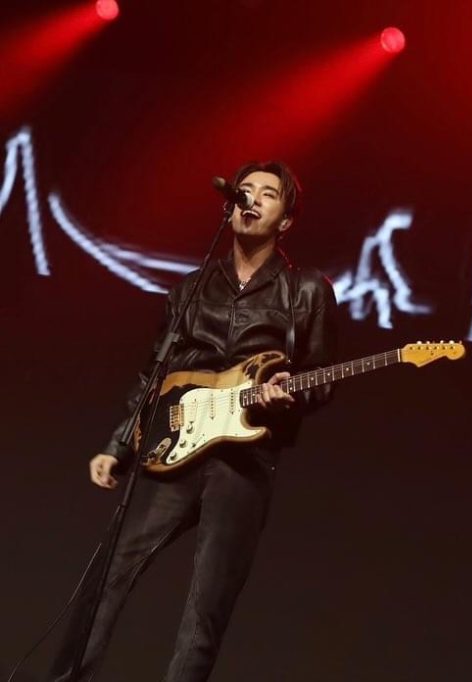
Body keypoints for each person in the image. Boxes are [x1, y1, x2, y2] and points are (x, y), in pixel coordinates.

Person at [50, 161, 338, 681]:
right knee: (107, 577)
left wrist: (285, 396)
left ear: (286, 219)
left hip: (244, 460)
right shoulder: (192, 286)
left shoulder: (307, 290)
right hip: (173, 446)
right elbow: (153, 371)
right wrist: (118, 445)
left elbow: (320, 378)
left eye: (267, 194)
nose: (252, 200)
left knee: (206, 610)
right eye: (244, 190)